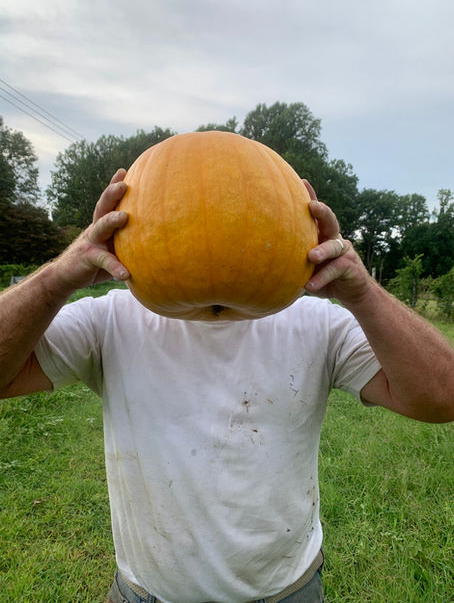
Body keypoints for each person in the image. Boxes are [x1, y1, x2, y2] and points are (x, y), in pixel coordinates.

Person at [1, 169, 453, 603]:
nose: (213, 227)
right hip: (145, 593)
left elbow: (441, 396)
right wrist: (60, 275)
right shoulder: (109, 320)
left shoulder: (320, 323)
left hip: (285, 593)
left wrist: (362, 292)